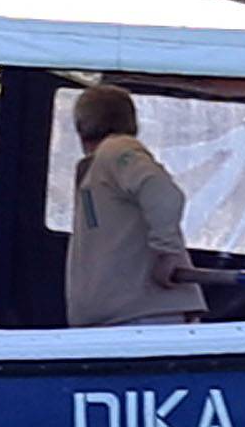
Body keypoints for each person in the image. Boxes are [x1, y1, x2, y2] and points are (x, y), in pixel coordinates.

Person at [64, 84, 206, 328]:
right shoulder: (98, 166)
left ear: (80, 125)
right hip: (121, 318)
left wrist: (168, 252)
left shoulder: (117, 149)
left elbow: (161, 191)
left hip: (142, 318)